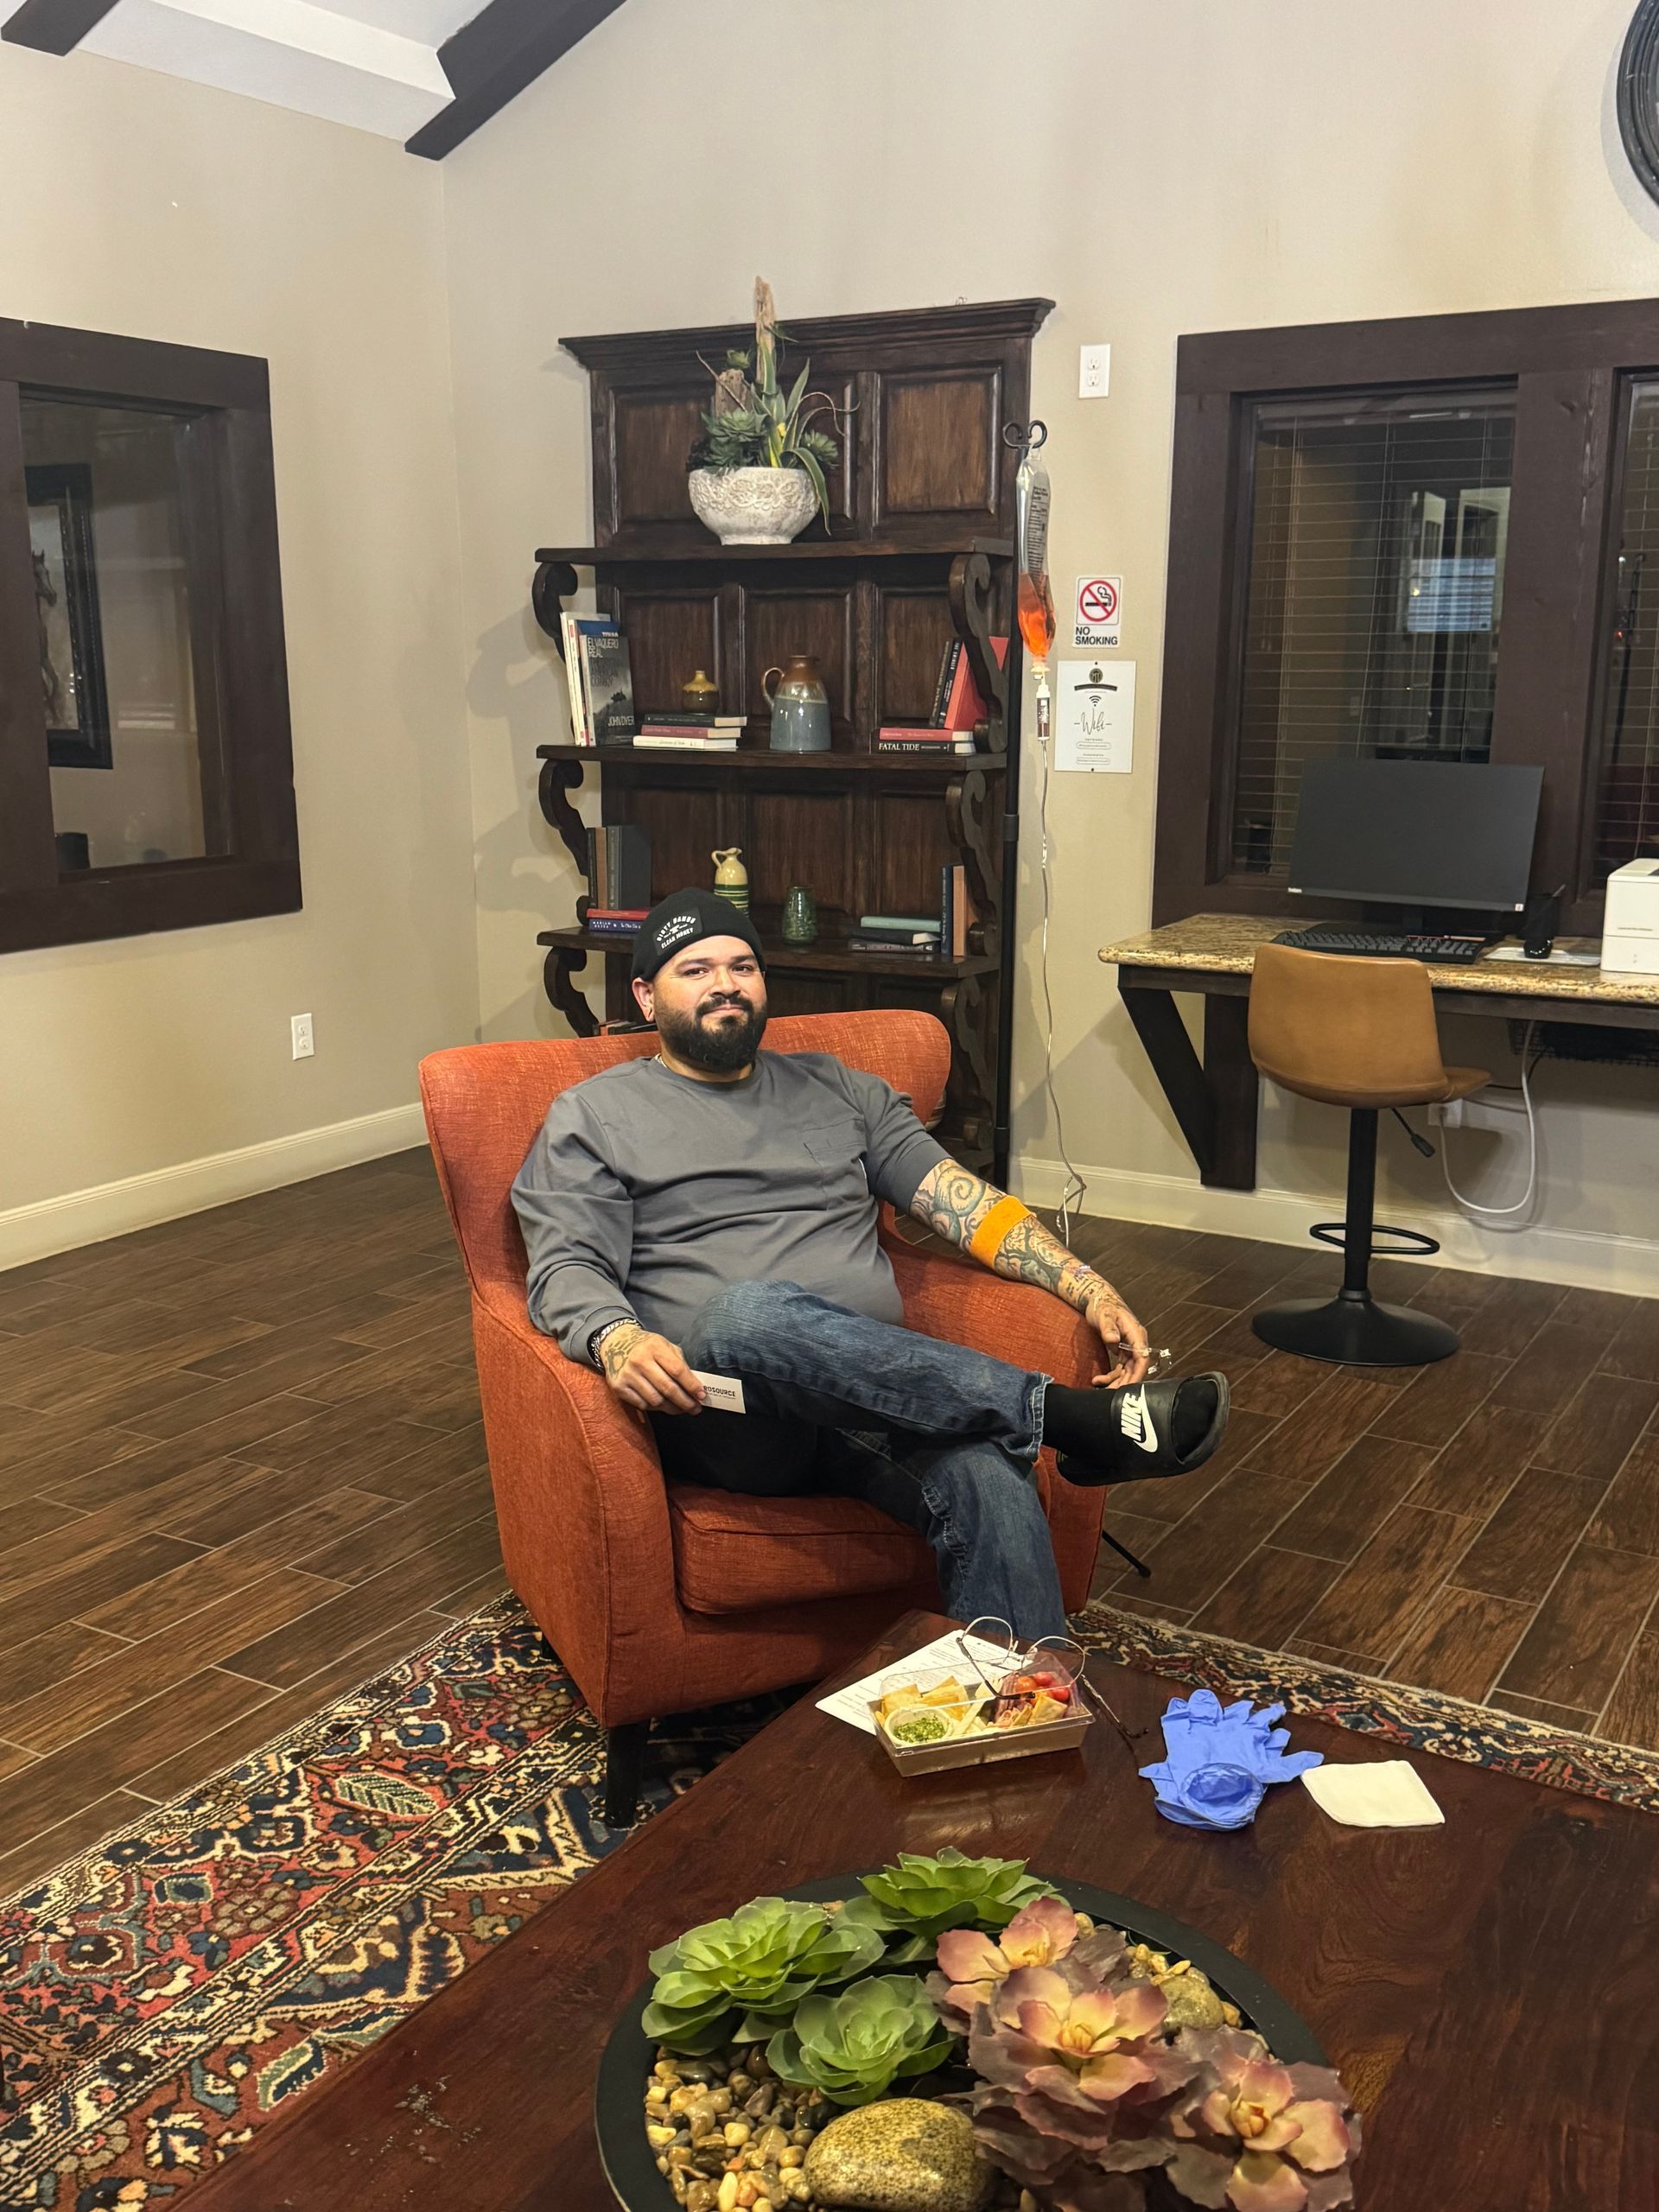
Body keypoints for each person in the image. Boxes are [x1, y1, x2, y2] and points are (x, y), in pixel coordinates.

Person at [511, 889, 1229, 1642]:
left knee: (985, 1467)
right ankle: (1069, 1418)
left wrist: (1088, 1286)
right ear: (645, 996)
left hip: (876, 1400)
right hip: (728, 1411)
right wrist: (617, 1340)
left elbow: (968, 1205)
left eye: (743, 965)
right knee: (743, 1313)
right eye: (695, 970)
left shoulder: (842, 1091)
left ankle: (1027, 1715)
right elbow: (566, 1267)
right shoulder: (593, 1115)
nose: (725, 983)